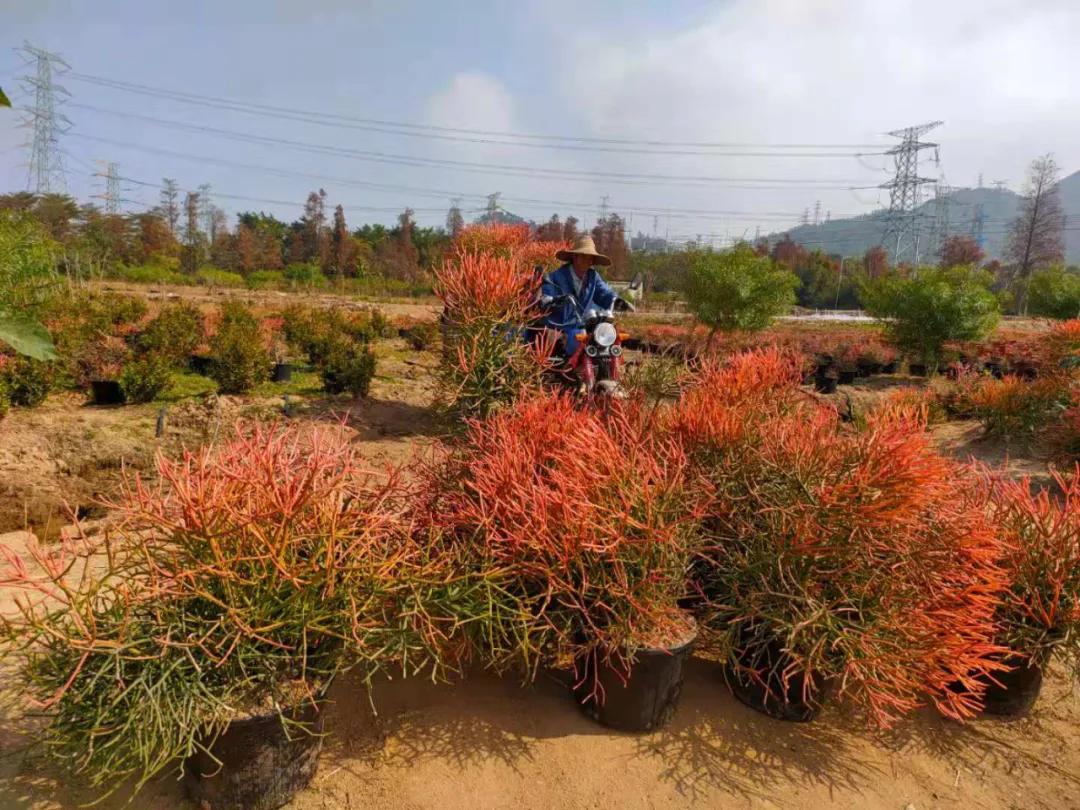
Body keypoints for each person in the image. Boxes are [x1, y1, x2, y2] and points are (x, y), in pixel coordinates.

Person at [539, 234, 634, 359]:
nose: (588, 261)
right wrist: (552, 300)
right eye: (584, 256)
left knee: (608, 340)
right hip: (560, 326)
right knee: (567, 343)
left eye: (591, 258)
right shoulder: (556, 277)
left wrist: (617, 301)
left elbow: (604, 292)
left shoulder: (592, 276)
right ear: (575, 257)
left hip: (584, 325)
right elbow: (546, 296)